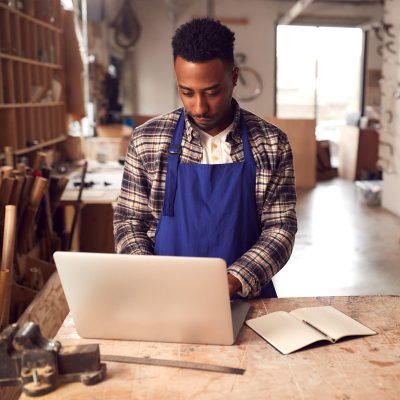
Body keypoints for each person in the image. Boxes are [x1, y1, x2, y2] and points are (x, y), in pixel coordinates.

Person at [113, 18, 297, 298]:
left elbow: (280, 227)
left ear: (233, 78)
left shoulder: (271, 143)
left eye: (212, 92)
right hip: (165, 297)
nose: (199, 107)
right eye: (187, 92)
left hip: (246, 298)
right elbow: (129, 222)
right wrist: (147, 272)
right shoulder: (147, 140)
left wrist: (236, 277)